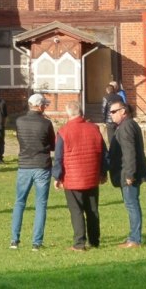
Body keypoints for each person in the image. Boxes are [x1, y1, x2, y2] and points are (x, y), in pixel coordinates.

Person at [54, 102, 105, 251]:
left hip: (72, 178)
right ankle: (94, 241)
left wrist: (57, 177)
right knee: (92, 210)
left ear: (68, 114)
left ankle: (79, 243)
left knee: (76, 211)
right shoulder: (94, 129)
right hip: (92, 176)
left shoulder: (63, 132)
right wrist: (102, 172)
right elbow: (103, 153)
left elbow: (58, 157)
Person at [10, 93, 55, 250]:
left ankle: (14, 240)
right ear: (40, 106)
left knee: (19, 202)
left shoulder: (19, 121)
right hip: (42, 165)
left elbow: (21, 140)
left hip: (24, 165)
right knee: (40, 204)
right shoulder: (46, 123)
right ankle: (37, 242)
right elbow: (53, 144)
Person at [106, 100, 146, 247]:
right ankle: (133, 236)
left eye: (113, 112)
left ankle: (134, 239)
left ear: (123, 111)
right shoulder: (126, 125)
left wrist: (130, 174)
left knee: (132, 205)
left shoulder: (126, 126)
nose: (110, 115)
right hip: (126, 171)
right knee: (131, 204)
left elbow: (129, 152)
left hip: (128, 172)